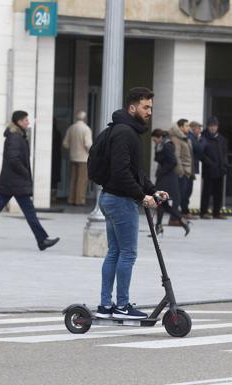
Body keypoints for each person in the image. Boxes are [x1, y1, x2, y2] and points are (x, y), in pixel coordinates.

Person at [96, 87, 169, 320]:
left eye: (151, 107)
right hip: (120, 200)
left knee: (115, 252)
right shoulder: (125, 133)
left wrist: (153, 190)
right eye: (145, 107)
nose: (149, 112)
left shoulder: (123, 131)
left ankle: (106, 305)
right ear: (132, 107)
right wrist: (141, 196)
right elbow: (121, 173)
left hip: (110, 197)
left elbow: (134, 172)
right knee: (127, 253)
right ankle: (122, 305)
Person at [0, 110, 59, 250]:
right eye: (25, 120)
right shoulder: (15, 137)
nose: (28, 122)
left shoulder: (17, 135)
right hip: (15, 182)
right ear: (18, 122)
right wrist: (24, 173)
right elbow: (13, 159)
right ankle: (42, 240)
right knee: (28, 212)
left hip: (12, 181)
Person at [151, 129, 190, 236]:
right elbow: (158, 159)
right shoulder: (160, 146)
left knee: (161, 203)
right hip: (163, 177)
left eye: (155, 140)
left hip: (167, 179)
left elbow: (173, 162)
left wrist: (162, 171)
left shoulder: (167, 145)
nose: (154, 142)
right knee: (162, 204)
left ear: (159, 137)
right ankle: (181, 221)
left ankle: (159, 227)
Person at [200, 116, 228, 220]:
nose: (213, 128)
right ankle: (204, 212)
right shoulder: (203, 137)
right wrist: (209, 163)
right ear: (207, 127)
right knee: (206, 192)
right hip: (209, 169)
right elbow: (201, 153)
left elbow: (224, 153)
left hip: (220, 169)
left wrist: (225, 165)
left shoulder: (221, 138)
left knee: (218, 192)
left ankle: (217, 212)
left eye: (214, 126)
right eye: (211, 126)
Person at [63, 110, 93, 206]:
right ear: (85, 118)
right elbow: (88, 144)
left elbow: (65, 143)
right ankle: (79, 200)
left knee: (73, 179)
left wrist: (72, 149)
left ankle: (71, 199)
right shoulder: (86, 129)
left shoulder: (71, 128)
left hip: (73, 157)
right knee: (82, 180)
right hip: (83, 158)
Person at [169, 119, 194, 221]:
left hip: (187, 171)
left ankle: (177, 216)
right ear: (180, 127)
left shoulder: (185, 138)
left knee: (183, 195)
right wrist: (181, 171)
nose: (188, 128)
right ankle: (173, 218)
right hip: (181, 172)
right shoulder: (176, 139)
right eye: (186, 126)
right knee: (178, 196)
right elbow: (177, 156)